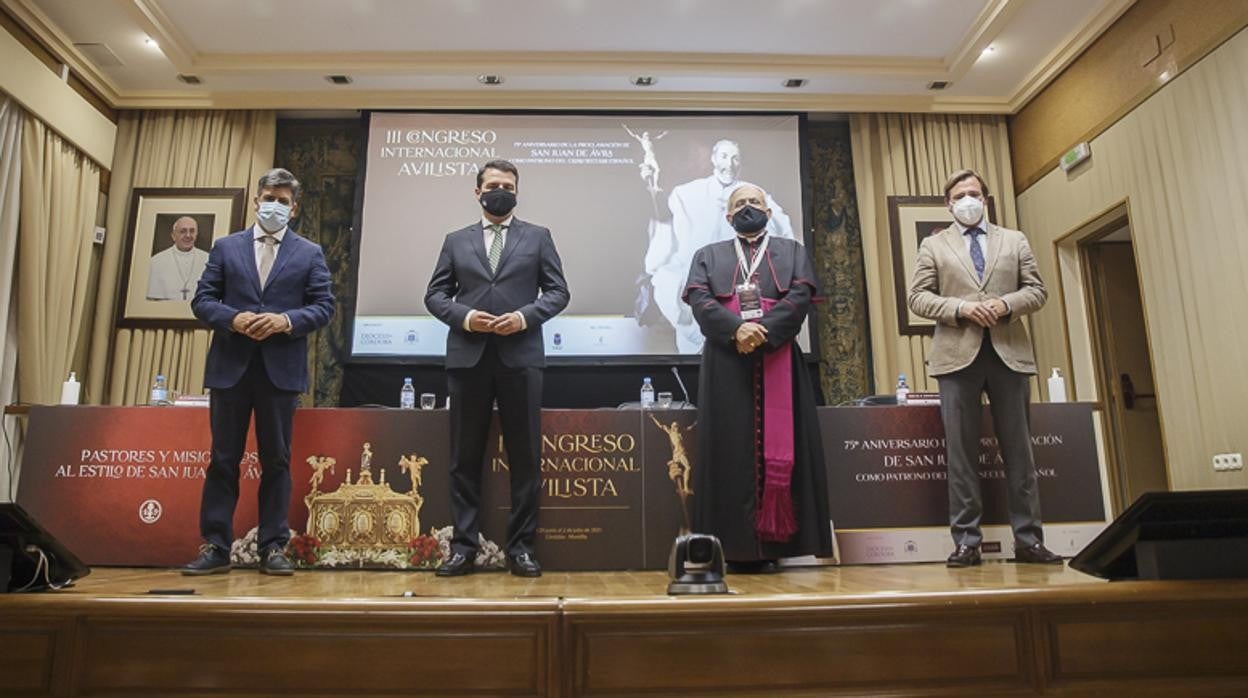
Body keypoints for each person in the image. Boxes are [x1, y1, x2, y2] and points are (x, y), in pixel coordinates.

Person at [182, 168, 335, 576]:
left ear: (294, 208)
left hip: (280, 372)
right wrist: (233, 319)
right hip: (230, 368)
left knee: (277, 461)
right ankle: (215, 546)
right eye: (269, 197)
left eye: (283, 201)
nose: (275, 205)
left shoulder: (309, 253)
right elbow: (203, 300)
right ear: (256, 201)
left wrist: (285, 321)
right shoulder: (225, 247)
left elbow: (324, 307)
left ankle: (273, 546)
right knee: (222, 459)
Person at [907, 168, 1062, 568]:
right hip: (956, 358)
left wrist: (1006, 304)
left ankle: (1028, 541)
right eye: (959, 195)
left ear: (986, 199)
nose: (967, 199)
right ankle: (966, 543)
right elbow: (918, 298)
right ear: (948, 204)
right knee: (961, 455)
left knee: (1020, 454)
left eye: (974, 193)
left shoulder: (1015, 240)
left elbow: (1037, 290)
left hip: (1009, 354)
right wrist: (961, 308)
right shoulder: (933, 244)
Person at [425, 159, 570, 578]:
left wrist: (524, 317)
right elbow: (435, 295)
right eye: (493, 185)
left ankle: (521, 548)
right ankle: (463, 547)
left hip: (521, 356)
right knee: (463, 459)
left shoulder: (538, 237)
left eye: (508, 185)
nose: (500, 190)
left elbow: (558, 292)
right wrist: (466, 317)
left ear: (517, 192)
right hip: (468, 357)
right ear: (477, 192)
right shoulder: (456, 240)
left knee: (525, 457)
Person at [683, 184, 831, 572]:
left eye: (755, 203)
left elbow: (799, 298)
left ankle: (777, 545)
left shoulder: (793, 252)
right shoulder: (707, 256)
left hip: (778, 353)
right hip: (726, 362)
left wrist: (762, 330)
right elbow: (700, 302)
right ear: (728, 217)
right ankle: (732, 545)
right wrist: (736, 330)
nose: (748, 209)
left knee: (785, 447)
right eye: (739, 205)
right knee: (728, 449)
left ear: (768, 209)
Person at [642, 139, 795, 353]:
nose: (730, 164)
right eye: (724, 156)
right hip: (696, 298)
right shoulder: (686, 194)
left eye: (735, 158)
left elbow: (785, 236)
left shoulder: (756, 195)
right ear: (713, 158)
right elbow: (664, 248)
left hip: (742, 302)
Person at [146, 216, 210, 301]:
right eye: (183, 231)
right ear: (173, 235)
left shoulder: (208, 259)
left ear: (196, 234)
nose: (188, 235)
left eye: (192, 231)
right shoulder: (156, 261)